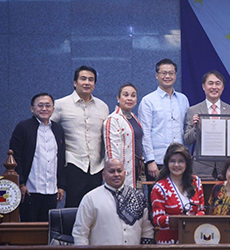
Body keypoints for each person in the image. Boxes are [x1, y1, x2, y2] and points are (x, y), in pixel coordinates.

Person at [51, 66, 109, 207]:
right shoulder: (60, 105)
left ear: (94, 84)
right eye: (83, 79)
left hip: (96, 166)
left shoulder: (103, 106)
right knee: (73, 207)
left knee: (95, 208)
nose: (87, 83)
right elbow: (46, 130)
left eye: (91, 80)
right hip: (73, 164)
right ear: (75, 82)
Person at [9, 93, 66, 222]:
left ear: (53, 109)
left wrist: (61, 185)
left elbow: (61, 159)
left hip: (52, 190)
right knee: (28, 230)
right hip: (30, 190)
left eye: (48, 105)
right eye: (40, 105)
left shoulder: (58, 129)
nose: (44, 109)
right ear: (32, 109)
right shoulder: (23, 127)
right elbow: (15, 156)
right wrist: (21, 183)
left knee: (47, 230)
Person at [72, 159, 154, 245]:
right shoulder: (90, 198)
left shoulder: (138, 197)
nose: (116, 174)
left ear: (124, 173)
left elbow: (147, 230)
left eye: (119, 171)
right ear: (103, 175)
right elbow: (80, 233)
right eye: (111, 171)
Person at [138, 59, 190, 181]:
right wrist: (150, 160)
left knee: (179, 197)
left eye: (171, 73)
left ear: (175, 75)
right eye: (164, 73)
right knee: (157, 197)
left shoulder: (183, 99)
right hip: (157, 161)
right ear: (157, 75)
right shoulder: (148, 101)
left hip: (180, 161)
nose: (167, 76)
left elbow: (186, 129)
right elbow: (145, 133)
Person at [184, 70, 230, 178]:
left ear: (223, 87)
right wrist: (195, 129)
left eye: (218, 83)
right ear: (204, 86)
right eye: (210, 83)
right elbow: (187, 140)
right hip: (201, 167)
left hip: (225, 167)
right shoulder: (193, 110)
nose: (214, 87)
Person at [151, 143, 205, 244]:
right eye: (172, 161)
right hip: (169, 242)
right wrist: (180, 221)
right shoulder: (159, 188)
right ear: (167, 163)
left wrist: (194, 219)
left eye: (181, 161)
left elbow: (201, 210)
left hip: (194, 239)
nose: (176, 165)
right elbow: (157, 219)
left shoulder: (196, 182)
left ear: (187, 163)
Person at [104, 83, 143, 189]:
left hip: (137, 171)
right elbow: (112, 152)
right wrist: (116, 173)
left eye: (133, 95)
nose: (129, 98)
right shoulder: (113, 119)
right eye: (126, 95)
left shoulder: (134, 117)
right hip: (122, 172)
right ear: (118, 98)